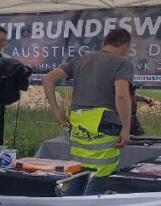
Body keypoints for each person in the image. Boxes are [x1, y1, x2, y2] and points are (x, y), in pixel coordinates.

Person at [43, 28, 133, 195]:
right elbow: (121, 96)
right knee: (99, 177)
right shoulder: (122, 63)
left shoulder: (81, 60)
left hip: (78, 124)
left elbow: (47, 78)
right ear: (125, 45)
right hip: (104, 124)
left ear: (104, 43)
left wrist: (56, 111)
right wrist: (127, 128)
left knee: (79, 174)